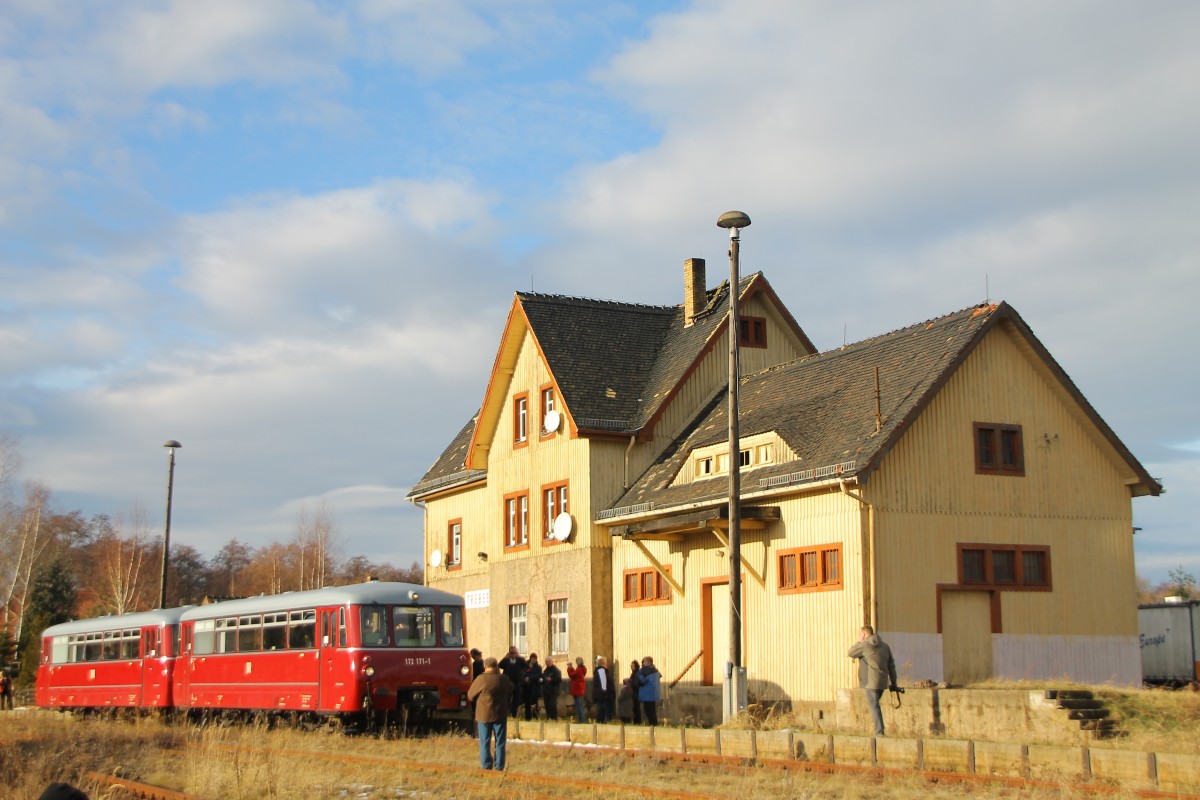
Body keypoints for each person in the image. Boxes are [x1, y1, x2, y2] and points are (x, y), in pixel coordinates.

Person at [847, 624, 898, 737]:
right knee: (875, 705)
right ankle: (878, 730)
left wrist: (859, 642)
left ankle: (879, 732)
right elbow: (892, 666)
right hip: (882, 682)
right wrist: (893, 683)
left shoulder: (865, 645)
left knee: (874, 706)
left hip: (870, 682)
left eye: (861, 634)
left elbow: (851, 652)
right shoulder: (885, 646)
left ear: (864, 634)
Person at [467, 657, 515, 770]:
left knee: (484, 741)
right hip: (500, 713)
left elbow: (470, 696)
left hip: (484, 715)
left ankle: (486, 765)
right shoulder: (502, 678)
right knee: (500, 742)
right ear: (496, 666)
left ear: (485, 666)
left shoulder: (481, 679)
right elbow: (512, 688)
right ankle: (499, 766)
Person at [500, 646, 527, 717]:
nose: (513, 654)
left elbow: (525, 665)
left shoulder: (520, 660)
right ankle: (506, 713)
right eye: (511, 652)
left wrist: (519, 656)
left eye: (514, 652)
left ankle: (514, 714)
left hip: (517, 682)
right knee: (507, 699)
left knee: (517, 699)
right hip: (508, 682)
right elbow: (500, 665)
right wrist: (505, 657)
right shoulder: (506, 660)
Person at [637, 656, 661, 726]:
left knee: (649, 712)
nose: (642, 664)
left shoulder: (647, 671)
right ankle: (654, 725)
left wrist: (639, 673)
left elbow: (642, 681)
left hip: (647, 695)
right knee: (652, 712)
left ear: (647, 662)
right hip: (653, 695)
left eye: (643, 662)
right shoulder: (655, 670)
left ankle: (652, 726)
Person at [591, 656, 615, 723]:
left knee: (602, 709)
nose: (607, 664)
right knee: (603, 709)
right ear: (603, 663)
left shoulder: (600, 671)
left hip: (600, 694)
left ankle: (602, 721)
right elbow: (603, 682)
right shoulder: (601, 670)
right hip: (603, 695)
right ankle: (602, 721)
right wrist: (605, 692)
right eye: (605, 663)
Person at [566, 656, 588, 723]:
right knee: (580, 706)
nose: (577, 662)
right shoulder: (582, 669)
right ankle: (582, 720)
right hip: (580, 689)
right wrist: (572, 668)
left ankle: (581, 720)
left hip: (577, 689)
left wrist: (569, 668)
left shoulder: (579, 670)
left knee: (579, 707)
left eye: (578, 661)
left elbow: (571, 675)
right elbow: (575, 674)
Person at [523, 652, 544, 720]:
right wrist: (525, 678)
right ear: (530, 658)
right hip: (526, 687)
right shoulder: (525, 665)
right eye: (532, 659)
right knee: (527, 703)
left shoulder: (538, 667)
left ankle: (535, 716)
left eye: (535, 659)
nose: (533, 660)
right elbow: (522, 673)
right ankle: (528, 717)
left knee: (534, 703)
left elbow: (539, 676)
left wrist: (530, 678)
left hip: (534, 688)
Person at [627, 660, 643, 724]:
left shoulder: (636, 673)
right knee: (635, 708)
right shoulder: (634, 673)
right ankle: (636, 721)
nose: (631, 667)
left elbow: (636, 683)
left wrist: (630, 683)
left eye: (632, 665)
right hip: (634, 693)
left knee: (637, 708)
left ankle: (637, 721)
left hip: (637, 693)